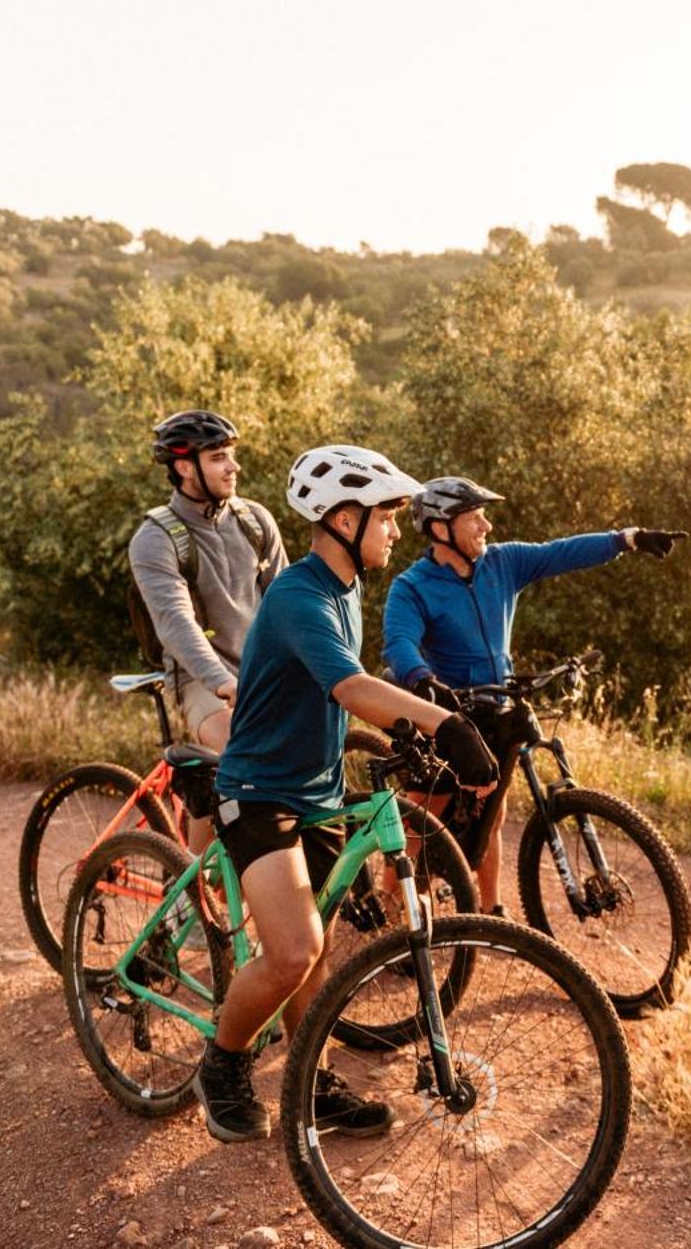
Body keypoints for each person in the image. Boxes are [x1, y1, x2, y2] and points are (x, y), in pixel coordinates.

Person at [196, 445, 501, 1144]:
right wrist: (446, 723)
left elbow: (351, 679)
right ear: (342, 518)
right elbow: (350, 686)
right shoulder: (301, 594)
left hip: (317, 791)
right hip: (259, 791)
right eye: (387, 515)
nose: (398, 528)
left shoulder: (348, 584)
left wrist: (422, 707)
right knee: (293, 948)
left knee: (320, 946)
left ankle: (309, 1075)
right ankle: (223, 1063)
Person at [382, 475, 684, 910]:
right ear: (439, 528)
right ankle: (391, 900)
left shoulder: (503, 563)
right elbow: (399, 642)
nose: (486, 526)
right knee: (428, 806)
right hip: (446, 712)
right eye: (474, 519)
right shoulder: (412, 586)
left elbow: (560, 552)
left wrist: (627, 539)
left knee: (496, 809)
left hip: (497, 703)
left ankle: (489, 910)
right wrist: (423, 679)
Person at [128, 410, 284, 750]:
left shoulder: (256, 520)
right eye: (218, 458)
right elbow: (176, 623)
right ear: (185, 468)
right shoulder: (155, 538)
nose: (233, 466)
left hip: (262, 670)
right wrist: (222, 682)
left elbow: (287, 604)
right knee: (245, 754)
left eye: (231, 455)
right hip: (199, 678)